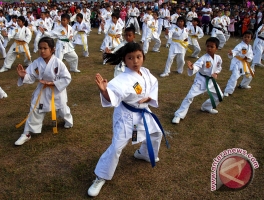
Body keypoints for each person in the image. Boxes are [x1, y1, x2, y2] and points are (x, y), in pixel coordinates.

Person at [88, 42, 168, 197]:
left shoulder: (145, 72)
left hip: (143, 112)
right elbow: (112, 96)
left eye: (138, 57)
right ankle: (101, 176)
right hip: (126, 116)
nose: (135, 61)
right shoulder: (121, 80)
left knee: (155, 133)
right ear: (124, 60)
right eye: (130, 58)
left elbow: (154, 85)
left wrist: (149, 98)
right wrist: (104, 92)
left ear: (143, 57)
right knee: (117, 147)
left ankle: (143, 153)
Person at [15, 37, 73, 146]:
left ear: (52, 49)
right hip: (42, 91)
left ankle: (68, 121)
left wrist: (54, 83)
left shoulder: (58, 63)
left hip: (56, 91)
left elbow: (67, 78)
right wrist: (24, 76)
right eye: (40, 48)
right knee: (35, 109)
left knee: (62, 110)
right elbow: (31, 76)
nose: (42, 51)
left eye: (45, 48)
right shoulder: (37, 63)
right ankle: (27, 133)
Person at [171, 37, 223, 124]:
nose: (209, 48)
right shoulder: (203, 58)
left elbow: (219, 67)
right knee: (190, 96)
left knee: (219, 96)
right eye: (208, 46)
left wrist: (216, 73)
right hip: (201, 80)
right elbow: (198, 65)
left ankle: (206, 107)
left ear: (216, 48)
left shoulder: (218, 58)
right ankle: (178, 115)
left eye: (212, 47)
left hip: (211, 81)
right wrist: (192, 67)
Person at [224, 30, 254, 97]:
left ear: (251, 39)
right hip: (238, 63)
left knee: (250, 74)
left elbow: (251, 55)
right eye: (245, 37)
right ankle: (227, 91)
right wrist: (232, 53)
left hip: (244, 63)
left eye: (248, 37)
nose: (246, 38)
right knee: (234, 77)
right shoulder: (240, 45)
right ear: (242, 37)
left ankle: (243, 85)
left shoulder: (250, 47)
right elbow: (235, 50)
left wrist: (248, 58)